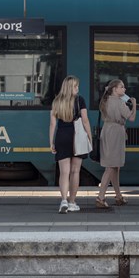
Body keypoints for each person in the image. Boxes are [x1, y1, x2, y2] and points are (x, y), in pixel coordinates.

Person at [49, 75, 91, 213]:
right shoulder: (80, 100)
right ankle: (72, 202)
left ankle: (63, 201)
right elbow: (85, 121)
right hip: (76, 137)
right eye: (75, 86)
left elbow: (53, 124)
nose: (77, 88)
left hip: (61, 136)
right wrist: (89, 137)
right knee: (75, 171)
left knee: (64, 172)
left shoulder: (57, 101)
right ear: (70, 87)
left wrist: (51, 142)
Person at [95, 79, 135, 208]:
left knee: (114, 165)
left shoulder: (105, 101)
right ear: (114, 89)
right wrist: (133, 105)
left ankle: (118, 196)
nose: (124, 89)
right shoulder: (119, 103)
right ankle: (100, 198)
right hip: (116, 133)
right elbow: (132, 118)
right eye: (121, 87)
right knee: (111, 166)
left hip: (107, 130)